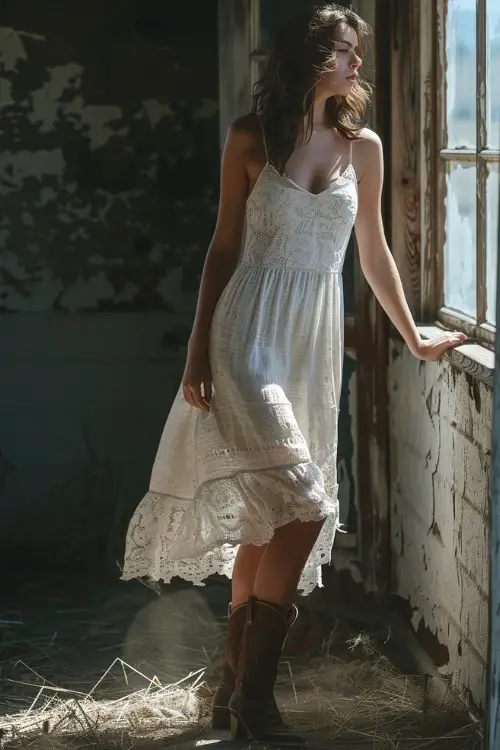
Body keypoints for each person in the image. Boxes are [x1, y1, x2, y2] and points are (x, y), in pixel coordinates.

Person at [122, 3, 467, 744]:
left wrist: (412, 335)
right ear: (309, 57)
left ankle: (229, 690)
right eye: (343, 51)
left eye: (357, 53)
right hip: (245, 335)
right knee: (306, 505)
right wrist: (195, 354)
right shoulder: (251, 137)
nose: (354, 65)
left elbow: (373, 254)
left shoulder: (362, 148)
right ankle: (256, 703)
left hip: (309, 346)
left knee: (272, 515)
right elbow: (221, 249)